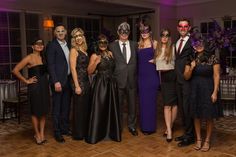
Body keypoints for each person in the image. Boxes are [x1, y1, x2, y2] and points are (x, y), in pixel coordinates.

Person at [184, 34, 223, 152]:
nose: (198, 45)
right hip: (195, 89)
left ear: (204, 43)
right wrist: (191, 67)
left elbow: (216, 75)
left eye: (200, 42)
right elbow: (186, 77)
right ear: (193, 46)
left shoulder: (212, 57)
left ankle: (207, 140)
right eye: (195, 43)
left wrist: (215, 92)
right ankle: (199, 139)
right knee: (196, 115)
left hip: (209, 88)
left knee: (208, 116)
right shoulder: (191, 58)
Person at [12, 38, 50, 145]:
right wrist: (26, 81)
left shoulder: (44, 57)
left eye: (41, 44)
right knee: (35, 111)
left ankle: (42, 134)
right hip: (35, 87)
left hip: (44, 87)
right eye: (37, 44)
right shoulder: (29, 57)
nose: (39, 45)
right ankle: (37, 134)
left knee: (43, 111)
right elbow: (15, 70)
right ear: (32, 46)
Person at [86, 34, 121, 144]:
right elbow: (89, 71)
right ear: (97, 44)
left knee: (110, 108)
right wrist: (96, 62)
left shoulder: (110, 54)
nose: (103, 45)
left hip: (111, 84)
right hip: (101, 84)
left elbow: (113, 68)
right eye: (100, 42)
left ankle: (110, 133)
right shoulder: (94, 56)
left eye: (105, 42)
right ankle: (98, 134)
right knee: (100, 108)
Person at [109, 22, 138, 136]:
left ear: (129, 33)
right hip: (118, 80)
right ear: (118, 33)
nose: (124, 34)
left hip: (132, 80)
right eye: (121, 32)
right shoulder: (112, 46)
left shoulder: (135, 45)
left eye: (126, 32)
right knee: (118, 105)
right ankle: (118, 126)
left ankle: (132, 126)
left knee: (132, 106)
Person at [46, 24, 72, 143]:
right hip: (58, 82)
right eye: (58, 31)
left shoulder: (68, 45)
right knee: (57, 108)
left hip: (68, 80)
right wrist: (55, 81)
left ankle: (64, 128)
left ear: (66, 32)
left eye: (62, 31)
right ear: (54, 33)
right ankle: (57, 132)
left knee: (66, 107)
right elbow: (50, 65)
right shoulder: (52, 45)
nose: (60, 33)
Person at [174, 18, 195, 147]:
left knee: (188, 108)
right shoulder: (176, 42)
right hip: (177, 80)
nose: (183, 28)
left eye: (185, 26)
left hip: (188, 80)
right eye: (180, 26)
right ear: (177, 28)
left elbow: (195, 59)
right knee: (182, 108)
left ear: (189, 28)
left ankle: (191, 136)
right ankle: (186, 132)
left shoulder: (193, 42)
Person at [155, 29, 177, 142]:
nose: (164, 37)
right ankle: (169, 129)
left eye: (167, 35)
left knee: (174, 105)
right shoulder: (157, 48)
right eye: (162, 35)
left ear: (169, 37)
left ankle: (169, 129)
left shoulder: (173, 48)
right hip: (163, 78)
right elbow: (157, 61)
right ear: (160, 37)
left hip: (173, 76)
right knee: (167, 105)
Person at [137, 24, 159, 135]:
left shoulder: (154, 43)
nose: (144, 33)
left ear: (150, 32)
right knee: (143, 102)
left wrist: (156, 61)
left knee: (151, 102)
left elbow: (163, 57)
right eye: (142, 31)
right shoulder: (138, 45)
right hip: (141, 77)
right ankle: (144, 127)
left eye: (146, 31)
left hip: (151, 76)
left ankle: (150, 127)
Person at [69, 28, 90, 141]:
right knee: (78, 109)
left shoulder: (84, 50)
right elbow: (73, 69)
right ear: (74, 39)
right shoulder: (73, 50)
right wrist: (77, 86)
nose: (78, 38)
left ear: (83, 37)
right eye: (76, 36)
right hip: (79, 82)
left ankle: (85, 131)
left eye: (80, 35)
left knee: (85, 108)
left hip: (86, 81)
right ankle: (78, 133)